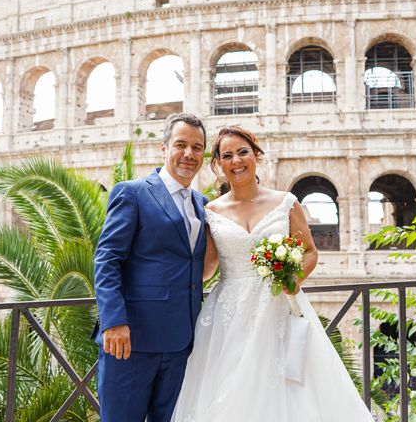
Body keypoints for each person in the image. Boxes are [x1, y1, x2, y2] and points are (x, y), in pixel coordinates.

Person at [171, 126, 374, 421]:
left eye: (242, 152)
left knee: (290, 388)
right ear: (218, 164)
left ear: (256, 155)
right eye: (227, 155)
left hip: (279, 305)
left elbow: (309, 251)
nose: (236, 161)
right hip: (229, 313)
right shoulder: (211, 211)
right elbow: (209, 267)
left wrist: (294, 279)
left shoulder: (285, 202)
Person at [94, 113, 207, 422]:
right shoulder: (132, 192)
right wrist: (113, 321)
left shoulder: (202, 203)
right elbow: (107, 259)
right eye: (181, 145)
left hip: (183, 342)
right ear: (164, 148)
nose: (189, 154)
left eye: (197, 148)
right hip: (131, 340)